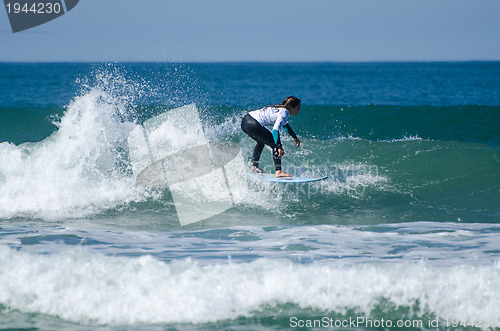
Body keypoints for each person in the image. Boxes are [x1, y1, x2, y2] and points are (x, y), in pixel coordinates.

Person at [241, 96, 301, 177]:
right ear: (291, 107)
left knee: (261, 141)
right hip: (253, 124)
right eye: (298, 107)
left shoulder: (280, 109)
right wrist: (279, 146)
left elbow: (285, 125)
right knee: (274, 144)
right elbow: (275, 130)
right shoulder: (284, 113)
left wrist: (294, 137)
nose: (299, 110)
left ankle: (255, 167)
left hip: (246, 121)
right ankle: (278, 171)